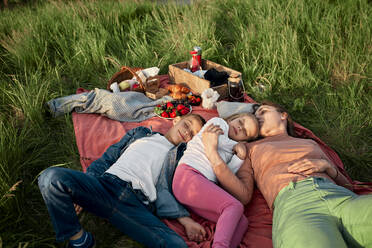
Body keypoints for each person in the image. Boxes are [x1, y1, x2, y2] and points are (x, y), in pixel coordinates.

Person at [205, 101, 372, 248]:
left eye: (263, 111)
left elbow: (348, 186)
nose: (258, 117)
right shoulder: (250, 149)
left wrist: (329, 167)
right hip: (297, 206)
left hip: (339, 197)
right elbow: (243, 194)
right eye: (254, 116)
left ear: (283, 115)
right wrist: (212, 154)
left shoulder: (309, 143)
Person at [38, 114, 208, 248]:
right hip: (105, 186)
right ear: (176, 120)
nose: (187, 132)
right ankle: (79, 239)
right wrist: (83, 190)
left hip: (136, 205)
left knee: (176, 244)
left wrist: (186, 221)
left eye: (193, 135)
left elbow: (167, 191)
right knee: (50, 178)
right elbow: (106, 159)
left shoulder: (180, 158)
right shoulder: (141, 133)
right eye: (187, 125)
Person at [172, 113, 259, 248]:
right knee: (235, 206)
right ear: (232, 119)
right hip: (188, 176)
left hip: (199, 190)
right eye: (240, 122)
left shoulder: (233, 151)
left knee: (241, 221)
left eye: (245, 132)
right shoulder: (218, 123)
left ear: (246, 140)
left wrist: (240, 157)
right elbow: (216, 139)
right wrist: (237, 145)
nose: (240, 128)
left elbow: (226, 173)